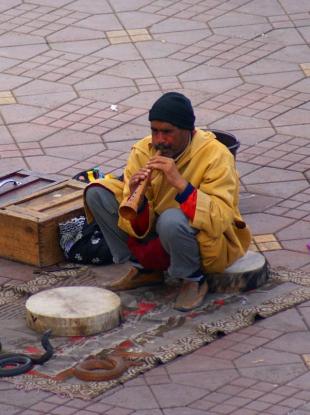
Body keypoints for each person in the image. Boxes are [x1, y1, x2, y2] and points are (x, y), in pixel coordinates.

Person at [84, 92, 252, 311]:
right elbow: (136, 214)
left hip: (205, 239)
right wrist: (137, 197)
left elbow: (219, 219)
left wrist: (180, 184)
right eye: (155, 131)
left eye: (167, 132)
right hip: (160, 229)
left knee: (171, 219)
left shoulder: (216, 156)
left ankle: (193, 278)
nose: (159, 140)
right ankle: (143, 269)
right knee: (98, 193)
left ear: (189, 131)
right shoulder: (143, 150)